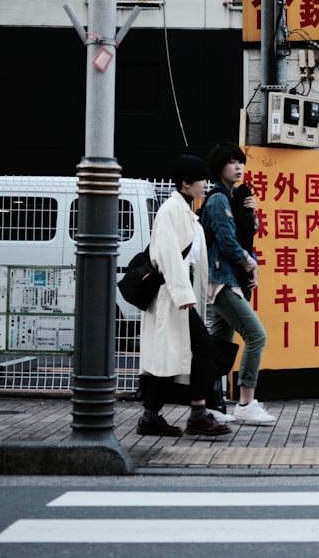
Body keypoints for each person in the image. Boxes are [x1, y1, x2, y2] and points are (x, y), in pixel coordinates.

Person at [136, 154, 231, 437]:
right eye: (201, 179)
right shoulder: (171, 211)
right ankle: (198, 414)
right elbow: (167, 255)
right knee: (199, 349)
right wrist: (183, 294)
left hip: (180, 297)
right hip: (174, 297)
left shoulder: (186, 212)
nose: (206, 184)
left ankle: (151, 417)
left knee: (171, 359)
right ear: (186, 183)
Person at [200, 142, 277, 425]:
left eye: (241, 162)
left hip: (226, 279)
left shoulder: (234, 198)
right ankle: (245, 402)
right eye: (232, 162)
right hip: (221, 279)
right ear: (219, 166)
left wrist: (250, 213)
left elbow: (245, 236)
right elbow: (228, 242)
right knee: (256, 335)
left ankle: (211, 404)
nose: (238, 167)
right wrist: (249, 262)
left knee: (219, 344)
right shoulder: (219, 199)